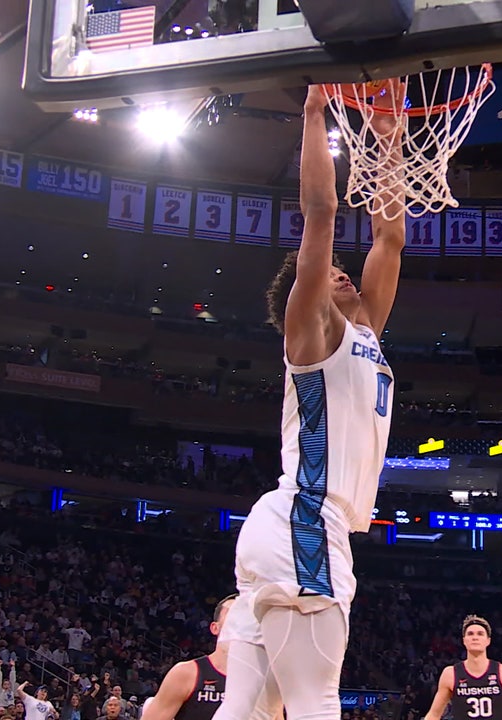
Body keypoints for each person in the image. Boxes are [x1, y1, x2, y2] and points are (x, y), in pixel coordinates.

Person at [213, 83, 406, 720]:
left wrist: (388, 135)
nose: (341, 271)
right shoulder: (312, 336)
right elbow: (321, 215)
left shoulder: (365, 334)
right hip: (306, 521)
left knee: (249, 713)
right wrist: (316, 115)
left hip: (295, 526)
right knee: (317, 701)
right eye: (326, 271)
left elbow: (390, 238)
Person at [142, 595, 280, 720]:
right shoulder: (187, 673)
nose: (241, 620)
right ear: (215, 628)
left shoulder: (267, 682)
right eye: (234, 613)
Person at [424, 616, 502, 720]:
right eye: (470, 634)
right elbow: (433, 715)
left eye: (480, 634)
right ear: (464, 640)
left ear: (488, 641)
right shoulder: (450, 674)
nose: (475, 637)